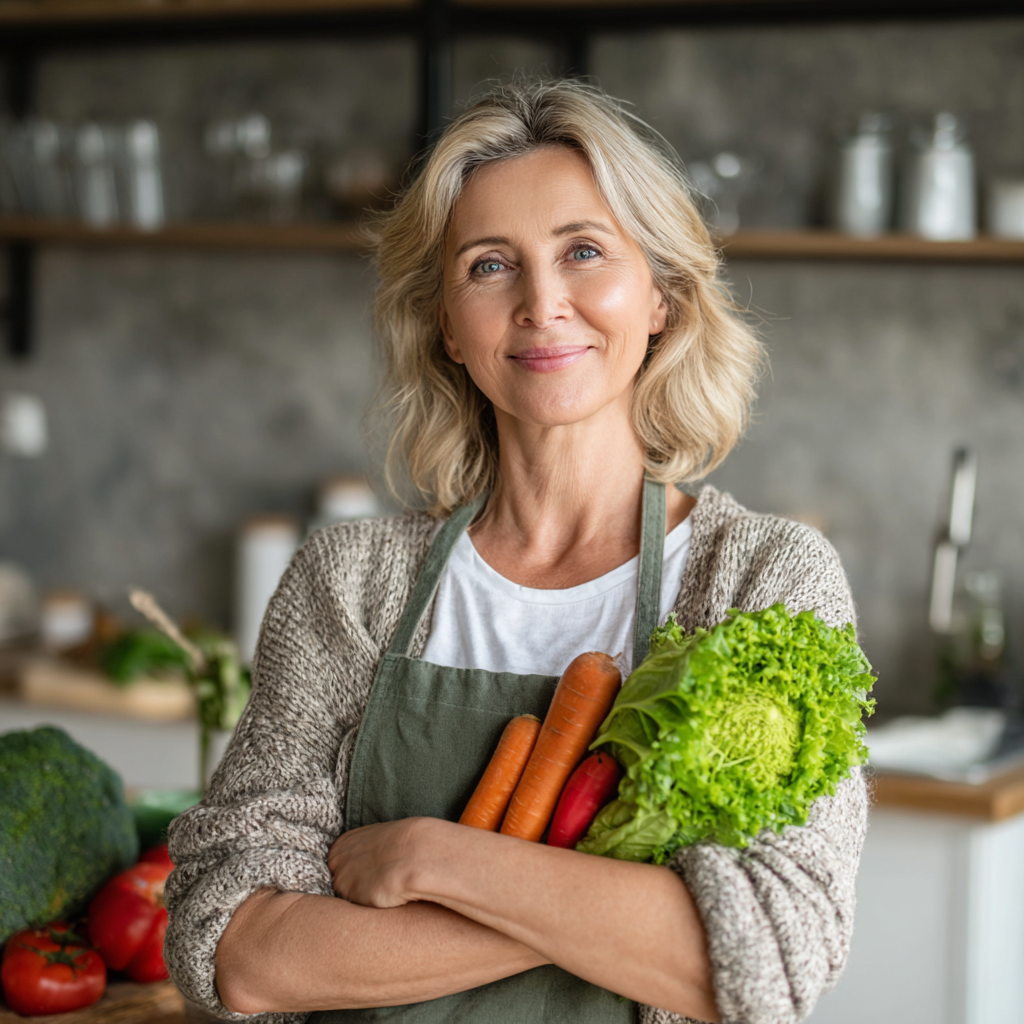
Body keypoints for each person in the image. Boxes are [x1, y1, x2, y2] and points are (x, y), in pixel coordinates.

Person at [165, 79, 866, 1024]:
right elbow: (237, 950)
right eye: (491, 266)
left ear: (658, 295)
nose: (543, 303)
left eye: (584, 252)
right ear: (449, 325)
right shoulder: (350, 582)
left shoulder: (760, 580)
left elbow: (767, 961)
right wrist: (610, 915)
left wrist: (437, 860)